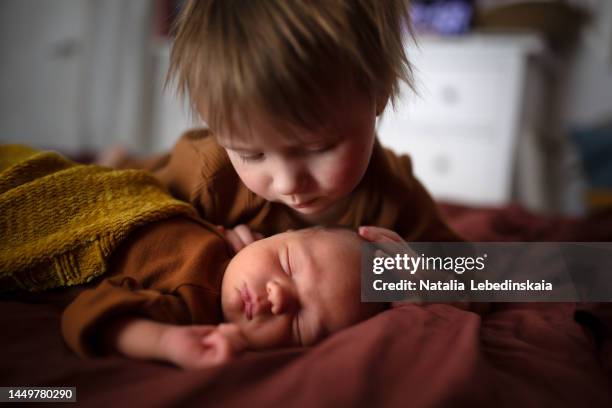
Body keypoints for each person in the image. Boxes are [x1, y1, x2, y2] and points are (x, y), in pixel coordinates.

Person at [62, 0, 466, 366]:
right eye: (251, 154)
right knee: (127, 173)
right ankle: (119, 156)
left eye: (318, 147)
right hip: (154, 171)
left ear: (378, 95)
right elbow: (129, 220)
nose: (288, 182)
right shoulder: (209, 174)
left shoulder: (392, 194)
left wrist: (425, 278)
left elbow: (496, 278)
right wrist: (200, 234)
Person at [65, 226, 388, 370]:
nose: (278, 298)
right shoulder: (250, 228)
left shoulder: (187, 310)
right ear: (283, 232)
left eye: (300, 324)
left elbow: (87, 312)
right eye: (288, 265)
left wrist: (165, 341)